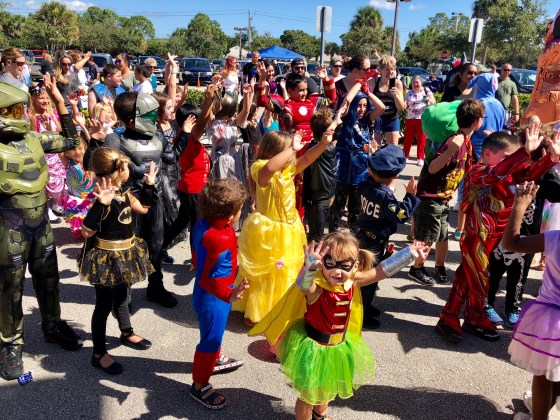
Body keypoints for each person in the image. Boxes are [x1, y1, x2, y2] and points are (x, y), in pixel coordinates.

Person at [248, 232, 424, 420]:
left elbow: (379, 272)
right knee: (308, 395)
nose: (337, 272)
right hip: (314, 349)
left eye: (345, 265)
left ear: (355, 265)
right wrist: (308, 268)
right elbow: (304, 286)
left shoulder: (351, 282)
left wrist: (409, 254)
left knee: (327, 387)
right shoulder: (317, 289)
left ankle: (320, 416)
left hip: (338, 347)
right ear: (321, 264)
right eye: (330, 263)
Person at [437, 126, 560, 344]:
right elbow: (496, 174)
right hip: (477, 236)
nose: (513, 163)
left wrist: (551, 158)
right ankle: (465, 316)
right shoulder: (477, 172)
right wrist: (524, 152)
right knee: (479, 278)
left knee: (467, 277)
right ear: (487, 154)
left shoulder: (510, 172)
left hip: (496, 237)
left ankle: (459, 317)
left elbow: (530, 173)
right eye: (507, 158)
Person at [0, 76, 83, 381]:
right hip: (9, 226)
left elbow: (72, 141)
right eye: (11, 111)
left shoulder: (34, 139)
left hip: (40, 224)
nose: (19, 115)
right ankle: (11, 343)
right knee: (10, 288)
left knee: (49, 279)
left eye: (20, 109)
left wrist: (61, 102)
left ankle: (52, 324)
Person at [232, 128, 336, 325]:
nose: (294, 155)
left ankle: (281, 307)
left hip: (290, 229)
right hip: (268, 231)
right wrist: (291, 149)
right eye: (289, 150)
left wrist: (323, 143)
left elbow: (307, 159)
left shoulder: (287, 169)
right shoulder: (260, 167)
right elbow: (269, 170)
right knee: (267, 271)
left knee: (286, 269)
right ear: (276, 151)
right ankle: (257, 311)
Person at [100, 92, 183, 308]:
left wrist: (184, 134)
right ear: (132, 120)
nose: (154, 118)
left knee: (156, 246)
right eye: (149, 114)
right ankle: (123, 293)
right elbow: (101, 168)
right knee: (128, 248)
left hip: (154, 199)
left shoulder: (158, 136)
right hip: (129, 202)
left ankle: (155, 286)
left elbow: (171, 158)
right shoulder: (115, 139)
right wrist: (94, 141)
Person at [79, 148, 155, 375]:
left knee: (123, 296)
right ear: (119, 171)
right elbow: (86, 231)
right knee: (103, 306)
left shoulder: (124, 192)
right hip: (107, 259)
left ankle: (126, 332)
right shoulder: (102, 198)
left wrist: (149, 185)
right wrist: (101, 204)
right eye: (127, 168)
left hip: (126, 254)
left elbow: (143, 208)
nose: (129, 171)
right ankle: (98, 353)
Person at [408, 99, 485, 286]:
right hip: (430, 198)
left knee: (442, 236)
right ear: (478, 121)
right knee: (426, 239)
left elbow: (471, 167)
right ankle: (416, 268)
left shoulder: (466, 142)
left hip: (443, 198)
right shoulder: (454, 141)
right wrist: (450, 151)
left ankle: (440, 265)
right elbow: (433, 168)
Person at [502, 180, 560, 420]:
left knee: (543, 374)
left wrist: (520, 206)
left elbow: (511, 243)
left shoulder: (556, 239)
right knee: (556, 372)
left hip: (551, 319)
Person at [190, 178, 249, 410]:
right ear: (232, 215)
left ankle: (213, 361)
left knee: (214, 332)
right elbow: (209, 279)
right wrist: (229, 295)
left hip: (212, 294)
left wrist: (196, 260)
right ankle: (200, 384)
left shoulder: (204, 224)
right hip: (214, 297)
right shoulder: (219, 237)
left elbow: (196, 245)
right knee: (210, 340)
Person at [487, 149, 560, 329]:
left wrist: (549, 166)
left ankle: (512, 307)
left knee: (519, 276)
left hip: (527, 236)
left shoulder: (543, 176)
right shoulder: (507, 171)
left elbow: (558, 193)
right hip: (499, 234)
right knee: (492, 273)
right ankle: (486, 303)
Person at [357, 145, 420, 329]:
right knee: (369, 279)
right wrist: (410, 196)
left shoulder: (365, 185)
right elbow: (401, 215)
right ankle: (362, 313)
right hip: (374, 243)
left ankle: (365, 304)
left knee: (367, 276)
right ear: (397, 175)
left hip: (364, 236)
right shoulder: (385, 196)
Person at [328, 78, 385, 234]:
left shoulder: (367, 120)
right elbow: (346, 101)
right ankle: (333, 234)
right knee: (338, 205)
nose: (362, 109)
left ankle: (355, 237)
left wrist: (368, 93)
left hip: (361, 171)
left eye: (365, 106)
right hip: (343, 168)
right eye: (359, 105)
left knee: (356, 207)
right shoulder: (346, 118)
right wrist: (359, 84)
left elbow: (381, 107)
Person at [27, 82, 65, 222]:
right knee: (45, 183)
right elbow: (32, 137)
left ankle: (56, 204)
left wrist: (51, 127)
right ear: (33, 99)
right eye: (41, 98)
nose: (45, 101)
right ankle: (46, 209)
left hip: (56, 155)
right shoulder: (30, 116)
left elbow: (60, 130)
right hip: (42, 155)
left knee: (58, 181)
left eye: (47, 98)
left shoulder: (52, 113)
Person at [302, 107, 338, 242]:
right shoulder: (317, 149)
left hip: (323, 197)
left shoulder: (322, 146)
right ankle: (312, 256)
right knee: (315, 239)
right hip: (318, 200)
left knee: (317, 235)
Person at [59, 136, 95, 240]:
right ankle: (80, 232)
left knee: (91, 218)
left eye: (80, 148)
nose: (78, 152)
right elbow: (59, 150)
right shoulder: (68, 163)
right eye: (74, 149)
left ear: (85, 148)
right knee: (79, 219)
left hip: (90, 195)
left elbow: (95, 145)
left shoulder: (90, 161)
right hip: (76, 198)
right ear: (67, 152)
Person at [372, 55, 405, 146]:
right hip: (377, 120)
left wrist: (396, 95)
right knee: (375, 149)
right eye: (387, 69)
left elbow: (401, 108)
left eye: (392, 69)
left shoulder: (397, 83)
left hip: (392, 120)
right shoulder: (373, 82)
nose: (390, 72)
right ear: (380, 70)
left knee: (392, 149)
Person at [403, 76, 435, 167]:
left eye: (417, 82)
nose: (415, 84)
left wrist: (429, 100)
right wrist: (403, 103)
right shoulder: (409, 93)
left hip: (422, 118)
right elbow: (405, 104)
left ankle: (420, 158)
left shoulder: (426, 91)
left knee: (421, 139)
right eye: (414, 83)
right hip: (410, 118)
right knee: (408, 138)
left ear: (421, 83)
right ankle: (405, 156)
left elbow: (434, 101)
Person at [496, 63, 520, 130]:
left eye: (509, 70)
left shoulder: (512, 84)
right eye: (505, 70)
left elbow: (515, 99)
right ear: (501, 70)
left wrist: (516, 113)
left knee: (504, 132)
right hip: (494, 111)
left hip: (505, 112)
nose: (507, 71)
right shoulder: (494, 80)